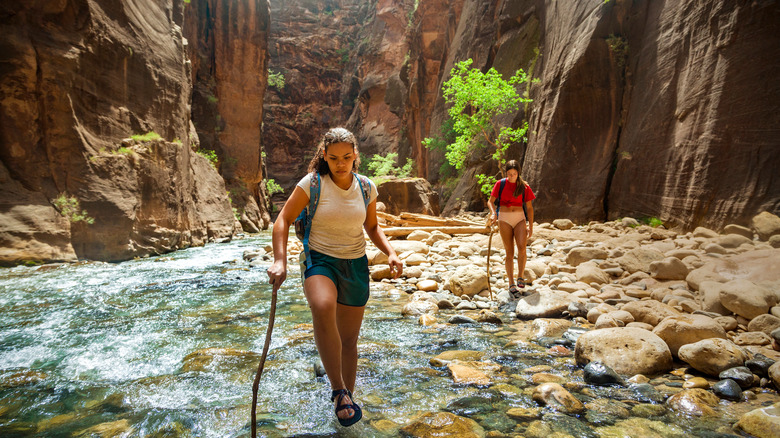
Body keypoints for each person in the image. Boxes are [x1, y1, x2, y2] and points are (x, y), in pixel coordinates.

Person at [267, 127, 402, 427]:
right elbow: (283, 220)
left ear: (356, 156)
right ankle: (339, 392)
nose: (341, 163)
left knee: (349, 339)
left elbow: (372, 226)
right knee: (323, 306)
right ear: (324, 157)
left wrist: (390, 252)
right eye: (333, 158)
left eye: (346, 157)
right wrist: (280, 261)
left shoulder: (366, 187)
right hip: (320, 259)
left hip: (354, 263)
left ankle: (348, 394)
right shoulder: (312, 184)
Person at [487, 160, 535, 293]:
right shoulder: (500, 184)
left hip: (519, 218)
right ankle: (511, 282)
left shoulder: (524, 187)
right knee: (509, 252)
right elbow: (490, 201)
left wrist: (530, 226)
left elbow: (529, 208)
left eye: (514, 173)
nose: (511, 176)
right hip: (504, 218)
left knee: (522, 248)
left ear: (518, 172)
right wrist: (493, 214)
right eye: (509, 174)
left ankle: (520, 276)